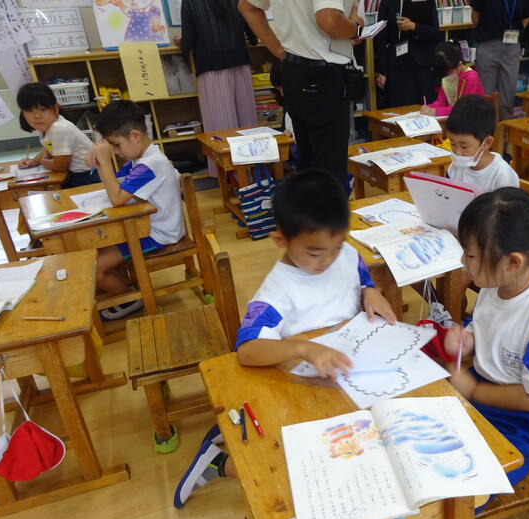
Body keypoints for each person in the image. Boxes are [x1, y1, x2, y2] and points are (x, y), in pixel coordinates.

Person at [173, 168, 397, 508]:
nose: (329, 260)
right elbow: (247, 351)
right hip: (300, 390)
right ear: (281, 240)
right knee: (309, 469)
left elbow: (359, 272)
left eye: (336, 246)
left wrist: (370, 291)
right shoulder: (276, 293)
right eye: (315, 253)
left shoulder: (345, 253)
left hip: (349, 376)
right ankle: (220, 462)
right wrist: (303, 347)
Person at [444, 187, 529, 486]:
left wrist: (474, 390)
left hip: (520, 424)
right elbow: (485, 325)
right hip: (481, 396)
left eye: (471, 254)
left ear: (512, 262)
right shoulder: (495, 285)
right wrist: (468, 339)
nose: (464, 261)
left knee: (464, 489)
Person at [238, 0, 365, 182]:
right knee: (329, 169)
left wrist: (277, 49)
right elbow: (329, 21)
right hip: (322, 73)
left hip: (293, 68)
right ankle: (325, 200)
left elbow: (247, 6)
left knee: (307, 161)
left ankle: (309, 200)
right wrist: (355, 28)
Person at [86, 101, 185, 321]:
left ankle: (130, 299)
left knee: (93, 269)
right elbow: (116, 182)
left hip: (158, 234)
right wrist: (99, 162)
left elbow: (116, 198)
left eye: (116, 145)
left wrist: (105, 162)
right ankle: (127, 288)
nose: (116, 152)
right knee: (98, 247)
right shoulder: (141, 159)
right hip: (148, 227)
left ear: (135, 136)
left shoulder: (150, 164)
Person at [177, 0, 259, 176]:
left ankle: (231, 177)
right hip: (240, 64)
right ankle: (253, 174)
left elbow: (188, 42)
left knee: (222, 125)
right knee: (247, 122)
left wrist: (179, 42)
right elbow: (253, 36)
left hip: (211, 67)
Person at [16, 82, 100, 189]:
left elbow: (60, 166)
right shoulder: (48, 126)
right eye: (29, 111)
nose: (36, 116)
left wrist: (42, 162)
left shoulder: (59, 128)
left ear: (56, 108)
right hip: (77, 174)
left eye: (43, 109)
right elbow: (48, 147)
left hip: (88, 177)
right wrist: (34, 161)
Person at [471, 0, 529, 121]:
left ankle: (505, 129)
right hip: (488, 43)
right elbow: (475, 17)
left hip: (512, 46)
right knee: (485, 96)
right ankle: (485, 129)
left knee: (508, 96)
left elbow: (526, 18)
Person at [374, 0, 441, 107]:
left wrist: (413, 26)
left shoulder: (426, 1)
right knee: (398, 108)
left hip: (422, 63)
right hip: (396, 65)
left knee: (424, 108)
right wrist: (381, 70)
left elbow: (434, 32)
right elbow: (380, 37)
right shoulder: (388, 2)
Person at [446, 94, 520, 191]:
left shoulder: (502, 176)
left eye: (464, 147)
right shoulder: (456, 167)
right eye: (452, 144)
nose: (457, 152)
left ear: (487, 143)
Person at [421, 42, 484, 117]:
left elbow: (463, 109)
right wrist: (429, 107)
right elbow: (441, 102)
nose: (447, 77)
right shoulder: (447, 75)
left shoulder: (471, 77)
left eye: (449, 72)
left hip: (472, 118)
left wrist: (436, 111)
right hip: (454, 117)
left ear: (459, 64)